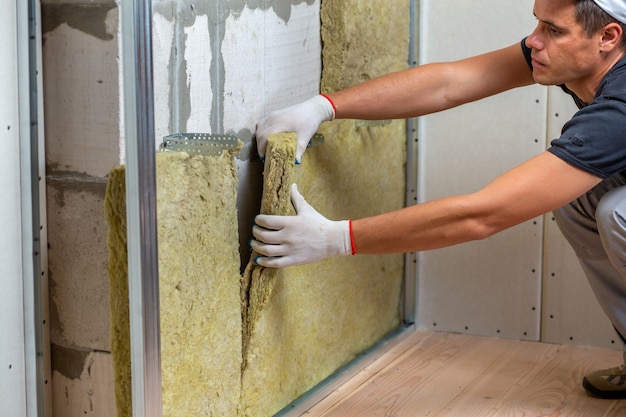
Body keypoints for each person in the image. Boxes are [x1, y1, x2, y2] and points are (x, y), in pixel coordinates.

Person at [252, 0, 626, 399]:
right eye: (538, 24)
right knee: (578, 200)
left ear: (608, 36)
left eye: (553, 30)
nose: (534, 40)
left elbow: (486, 214)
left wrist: (337, 239)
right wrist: (325, 107)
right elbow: (450, 83)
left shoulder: (619, 107)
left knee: (617, 211)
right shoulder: (579, 58)